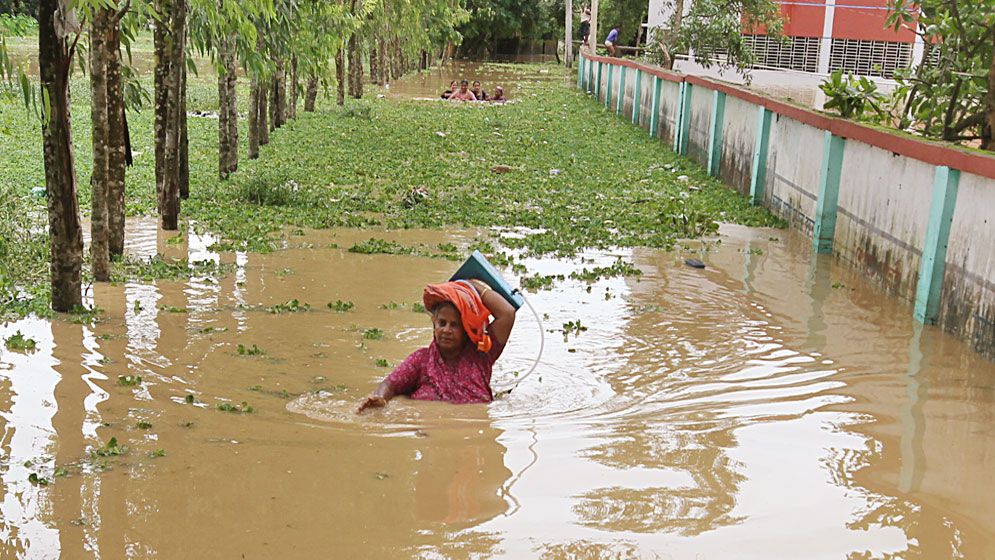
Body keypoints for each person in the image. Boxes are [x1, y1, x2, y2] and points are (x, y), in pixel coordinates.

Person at [357, 279, 516, 412]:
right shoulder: (421, 360)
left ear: (466, 330)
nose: (446, 330)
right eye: (442, 323)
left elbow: (507, 313)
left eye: (454, 325)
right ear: (434, 325)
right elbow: (390, 384)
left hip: (469, 444)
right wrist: (380, 397)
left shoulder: (481, 355)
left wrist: (473, 285)